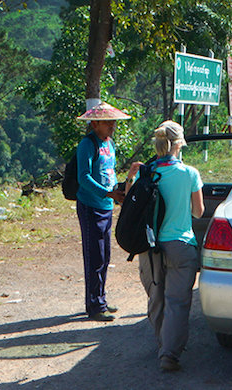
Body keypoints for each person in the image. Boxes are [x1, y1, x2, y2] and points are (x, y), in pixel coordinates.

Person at [125, 120, 204, 372]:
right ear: (179, 144)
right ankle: (169, 353)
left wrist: (130, 177)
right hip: (181, 245)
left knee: (156, 298)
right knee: (177, 301)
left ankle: (163, 345)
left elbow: (130, 204)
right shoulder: (190, 173)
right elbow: (199, 212)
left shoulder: (145, 172)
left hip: (150, 247)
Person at [74, 102, 129, 322]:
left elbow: (110, 171)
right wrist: (107, 193)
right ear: (95, 123)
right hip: (91, 206)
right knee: (94, 256)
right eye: (108, 122)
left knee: (105, 256)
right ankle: (95, 306)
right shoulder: (87, 144)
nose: (112, 126)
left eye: (113, 122)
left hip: (106, 206)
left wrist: (118, 191)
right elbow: (84, 177)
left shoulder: (109, 143)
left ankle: (101, 299)